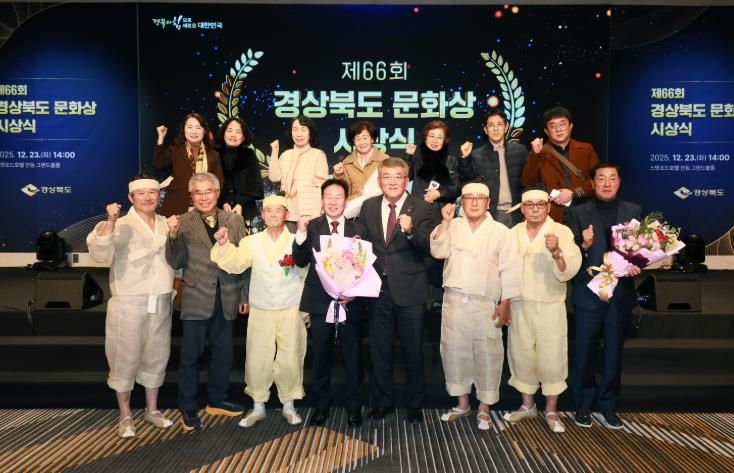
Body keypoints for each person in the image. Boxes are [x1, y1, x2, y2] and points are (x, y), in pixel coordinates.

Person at [86, 174, 175, 438]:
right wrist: (111, 221)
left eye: (152, 192)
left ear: (159, 195)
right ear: (130, 197)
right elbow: (99, 253)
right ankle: (125, 414)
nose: (148, 198)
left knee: (157, 353)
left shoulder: (167, 223)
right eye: (141, 193)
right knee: (124, 355)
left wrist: (174, 235)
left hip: (160, 297)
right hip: (129, 300)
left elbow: (177, 259)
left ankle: (152, 409)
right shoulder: (120, 224)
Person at [211, 195, 308, 428]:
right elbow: (235, 263)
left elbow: (306, 274)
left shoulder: (297, 240)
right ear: (262, 215)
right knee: (257, 358)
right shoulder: (251, 242)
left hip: (290, 306)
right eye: (269, 210)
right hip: (261, 307)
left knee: (290, 357)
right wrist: (224, 244)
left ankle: (289, 405)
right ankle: (257, 406)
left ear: (286, 214)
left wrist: (306, 310)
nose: (273, 214)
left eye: (278, 210)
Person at [430, 182, 519, 431]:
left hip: (486, 302)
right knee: (453, 352)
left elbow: (510, 269)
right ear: (462, 201)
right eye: (469, 197)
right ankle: (462, 403)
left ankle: (484, 407)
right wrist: (445, 221)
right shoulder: (452, 225)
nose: (475, 202)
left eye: (480, 198)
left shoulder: (501, 231)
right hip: (455, 300)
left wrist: (505, 302)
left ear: (488, 202)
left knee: (488, 354)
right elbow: (437, 251)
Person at [166, 172, 248, 432]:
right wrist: (173, 236)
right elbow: (176, 261)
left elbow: (245, 260)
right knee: (190, 357)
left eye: (208, 191)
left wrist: (244, 296)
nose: (203, 197)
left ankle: (217, 399)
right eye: (198, 193)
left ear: (217, 193)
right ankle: (187, 406)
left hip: (227, 296)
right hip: (196, 297)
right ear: (191, 196)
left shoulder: (234, 220)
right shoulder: (183, 222)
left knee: (223, 355)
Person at [565, 163, 641, 429]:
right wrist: (584, 245)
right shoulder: (576, 213)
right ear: (592, 182)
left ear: (619, 182)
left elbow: (638, 251)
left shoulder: (633, 211)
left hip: (619, 294)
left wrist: (637, 265)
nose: (607, 184)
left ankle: (609, 406)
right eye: (601, 179)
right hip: (588, 293)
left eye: (612, 178)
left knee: (613, 353)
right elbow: (569, 255)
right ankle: (582, 404)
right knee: (584, 351)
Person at [358, 158, 433, 424]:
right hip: (377, 290)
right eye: (386, 177)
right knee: (380, 351)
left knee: (413, 351)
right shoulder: (368, 206)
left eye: (398, 176)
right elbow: (363, 243)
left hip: (410, 290)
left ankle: (414, 404)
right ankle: (383, 402)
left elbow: (428, 247)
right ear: (379, 181)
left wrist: (411, 231)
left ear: (406, 180)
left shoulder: (422, 207)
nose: (392, 182)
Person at [504, 189, 581, 433]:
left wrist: (556, 252)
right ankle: (527, 404)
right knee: (521, 354)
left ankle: (551, 409)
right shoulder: (512, 233)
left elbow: (569, 269)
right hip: (519, 303)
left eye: (540, 204)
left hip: (550, 303)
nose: (535, 208)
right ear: (522, 209)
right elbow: (503, 269)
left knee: (552, 356)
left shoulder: (561, 231)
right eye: (530, 204)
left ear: (548, 207)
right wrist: (505, 301)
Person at [292, 179, 368, 427]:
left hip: (350, 302)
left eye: (339, 197)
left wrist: (355, 293)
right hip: (319, 301)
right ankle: (321, 406)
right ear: (322, 200)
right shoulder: (311, 227)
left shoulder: (359, 228)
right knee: (321, 357)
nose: (333, 202)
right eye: (329, 197)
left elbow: (367, 268)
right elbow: (300, 261)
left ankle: (354, 407)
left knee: (353, 357)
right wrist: (300, 234)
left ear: (346, 201)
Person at [522, 106, 599, 223]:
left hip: (583, 210)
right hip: (553, 214)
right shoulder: (539, 153)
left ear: (570, 126)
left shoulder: (586, 149)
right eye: (553, 126)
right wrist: (535, 154)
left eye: (562, 124)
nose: (558, 129)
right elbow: (528, 183)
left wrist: (573, 193)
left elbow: (596, 182)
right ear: (546, 131)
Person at [458, 109, 527, 227]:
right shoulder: (477, 155)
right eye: (491, 125)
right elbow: (468, 180)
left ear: (506, 127)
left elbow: (529, 180)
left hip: (517, 212)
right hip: (490, 213)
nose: (495, 129)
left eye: (499, 124)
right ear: (486, 130)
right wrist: (465, 157)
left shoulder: (520, 151)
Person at [153, 112, 224, 217]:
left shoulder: (213, 155)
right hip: (177, 205)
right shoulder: (176, 150)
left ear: (204, 131)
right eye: (190, 127)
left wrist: (209, 199)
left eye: (198, 128)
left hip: (205, 206)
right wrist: (161, 138)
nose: (194, 131)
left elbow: (219, 181)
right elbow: (159, 163)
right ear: (184, 130)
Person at [268, 115, 328, 228]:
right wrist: (274, 152)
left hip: (311, 216)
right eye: (295, 129)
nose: (299, 134)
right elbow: (274, 177)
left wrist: (314, 215)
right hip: (289, 215)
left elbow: (321, 187)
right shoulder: (286, 155)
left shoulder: (318, 155)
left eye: (303, 129)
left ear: (310, 132)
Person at [405, 120, 460, 225]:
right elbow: (406, 177)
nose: (435, 140)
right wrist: (409, 156)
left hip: (443, 213)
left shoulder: (451, 161)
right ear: (426, 138)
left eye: (439, 137)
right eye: (432, 136)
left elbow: (457, 188)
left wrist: (439, 193)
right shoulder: (416, 159)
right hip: (419, 212)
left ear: (445, 140)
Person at [332, 120, 389, 218]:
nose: (362, 142)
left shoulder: (385, 160)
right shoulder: (347, 162)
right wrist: (339, 174)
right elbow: (345, 191)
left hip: (378, 210)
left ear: (372, 139)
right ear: (353, 141)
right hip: (354, 214)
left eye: (365, 138)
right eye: (358, 139)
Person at [214, 117, 265, 225]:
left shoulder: (249, 154)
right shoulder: (214, 154)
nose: (233, 135)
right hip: (217, 208)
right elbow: (210, 182)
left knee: (242, 236)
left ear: (243, 137)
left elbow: (255, 183)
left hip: (244, 209)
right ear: (223, 133)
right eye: (229, 130)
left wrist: (240, 203)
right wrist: (223, 202)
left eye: (238, 132)